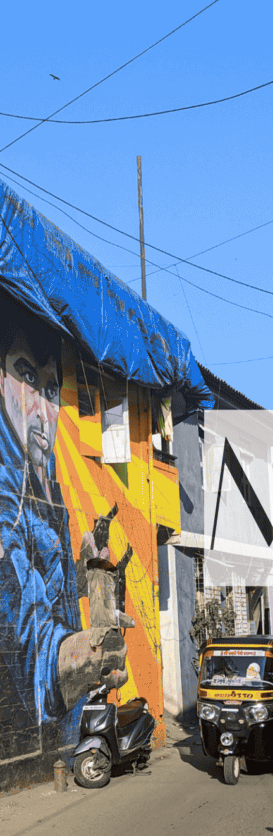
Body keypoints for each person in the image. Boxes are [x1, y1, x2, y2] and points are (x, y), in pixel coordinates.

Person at [0, 321, 126, 756]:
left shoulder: (46, 485)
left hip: (64, 732)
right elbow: (28, 631)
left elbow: (52, 594)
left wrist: (83, 566)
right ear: (2, 380)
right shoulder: (6, 496)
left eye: (51, 390)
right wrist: (90, 655)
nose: (42, 410)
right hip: (34, 733)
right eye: (27, 378)